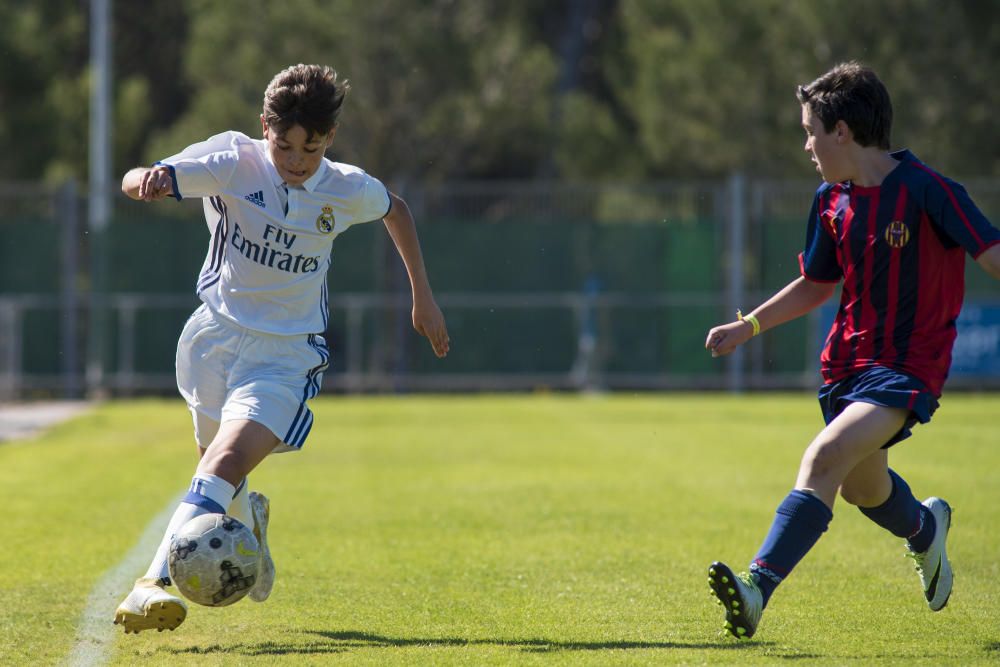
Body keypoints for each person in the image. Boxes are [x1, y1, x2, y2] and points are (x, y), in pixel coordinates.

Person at [113, 64, 450, 633]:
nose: (297, 161)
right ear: (264, 126)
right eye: (285, 145)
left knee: (221, 463)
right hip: (212, 342)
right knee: (214, 473)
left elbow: (396, 210)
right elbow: (139, 175)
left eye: (311, 149)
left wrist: (424, 298)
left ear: (330, 140)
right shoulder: (231, 160)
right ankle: (253, 529)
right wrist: (147, 179)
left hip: (285, 357)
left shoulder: (345, 187)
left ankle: (151, 585)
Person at [704, 61, 1000, 639]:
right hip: (844, 368)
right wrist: (749, 326)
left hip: (905, 368)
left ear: (842, 130)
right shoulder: (829, 201)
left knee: (823, 459)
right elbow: (818, 283)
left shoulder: (930, 191)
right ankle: (924, 529)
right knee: (867, 489)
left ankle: (756, 587)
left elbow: (992, 254)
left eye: (812, 130)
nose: (808, 145)